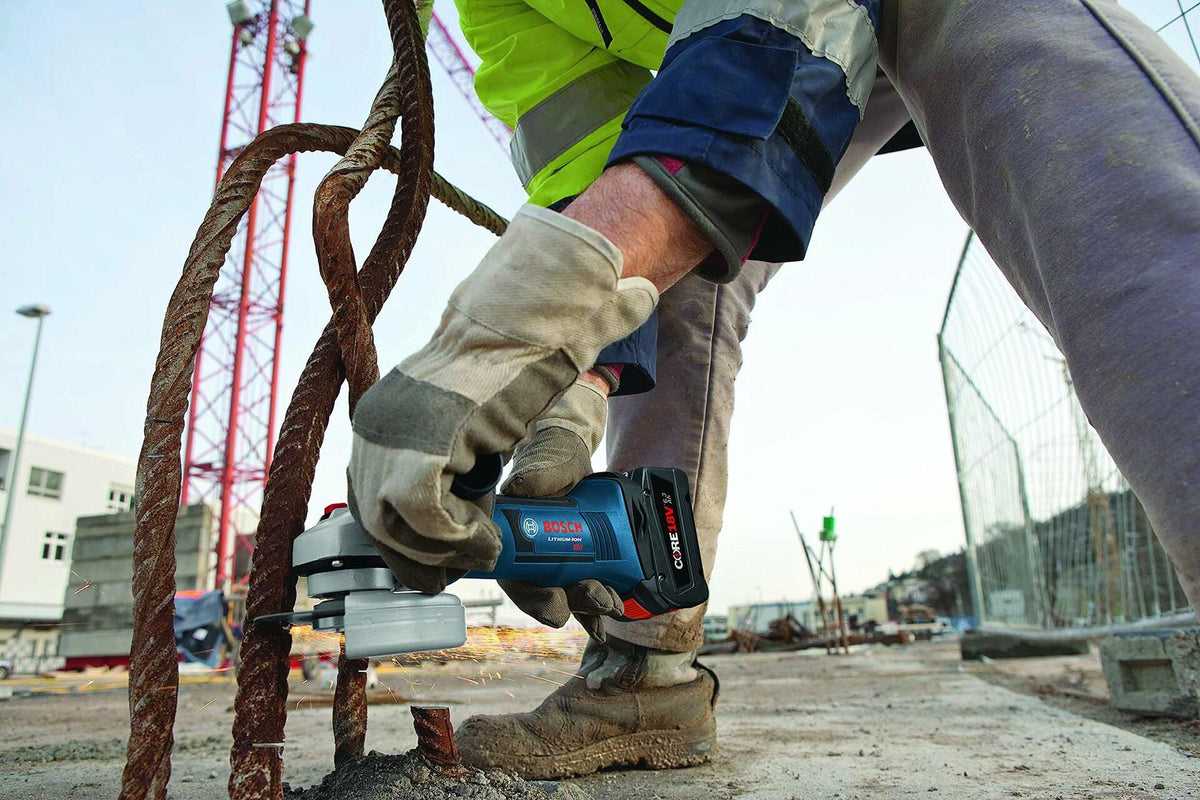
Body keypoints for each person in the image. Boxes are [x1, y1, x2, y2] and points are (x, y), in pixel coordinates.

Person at [347, 0, 1200, 780]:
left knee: (1053, 98)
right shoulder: (497, 10)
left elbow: (775, 30)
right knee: (674, 281)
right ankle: (647, 675)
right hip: (748, 52)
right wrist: (579, 376)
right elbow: (597, 168)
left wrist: (503, 328)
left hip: (818, 17)